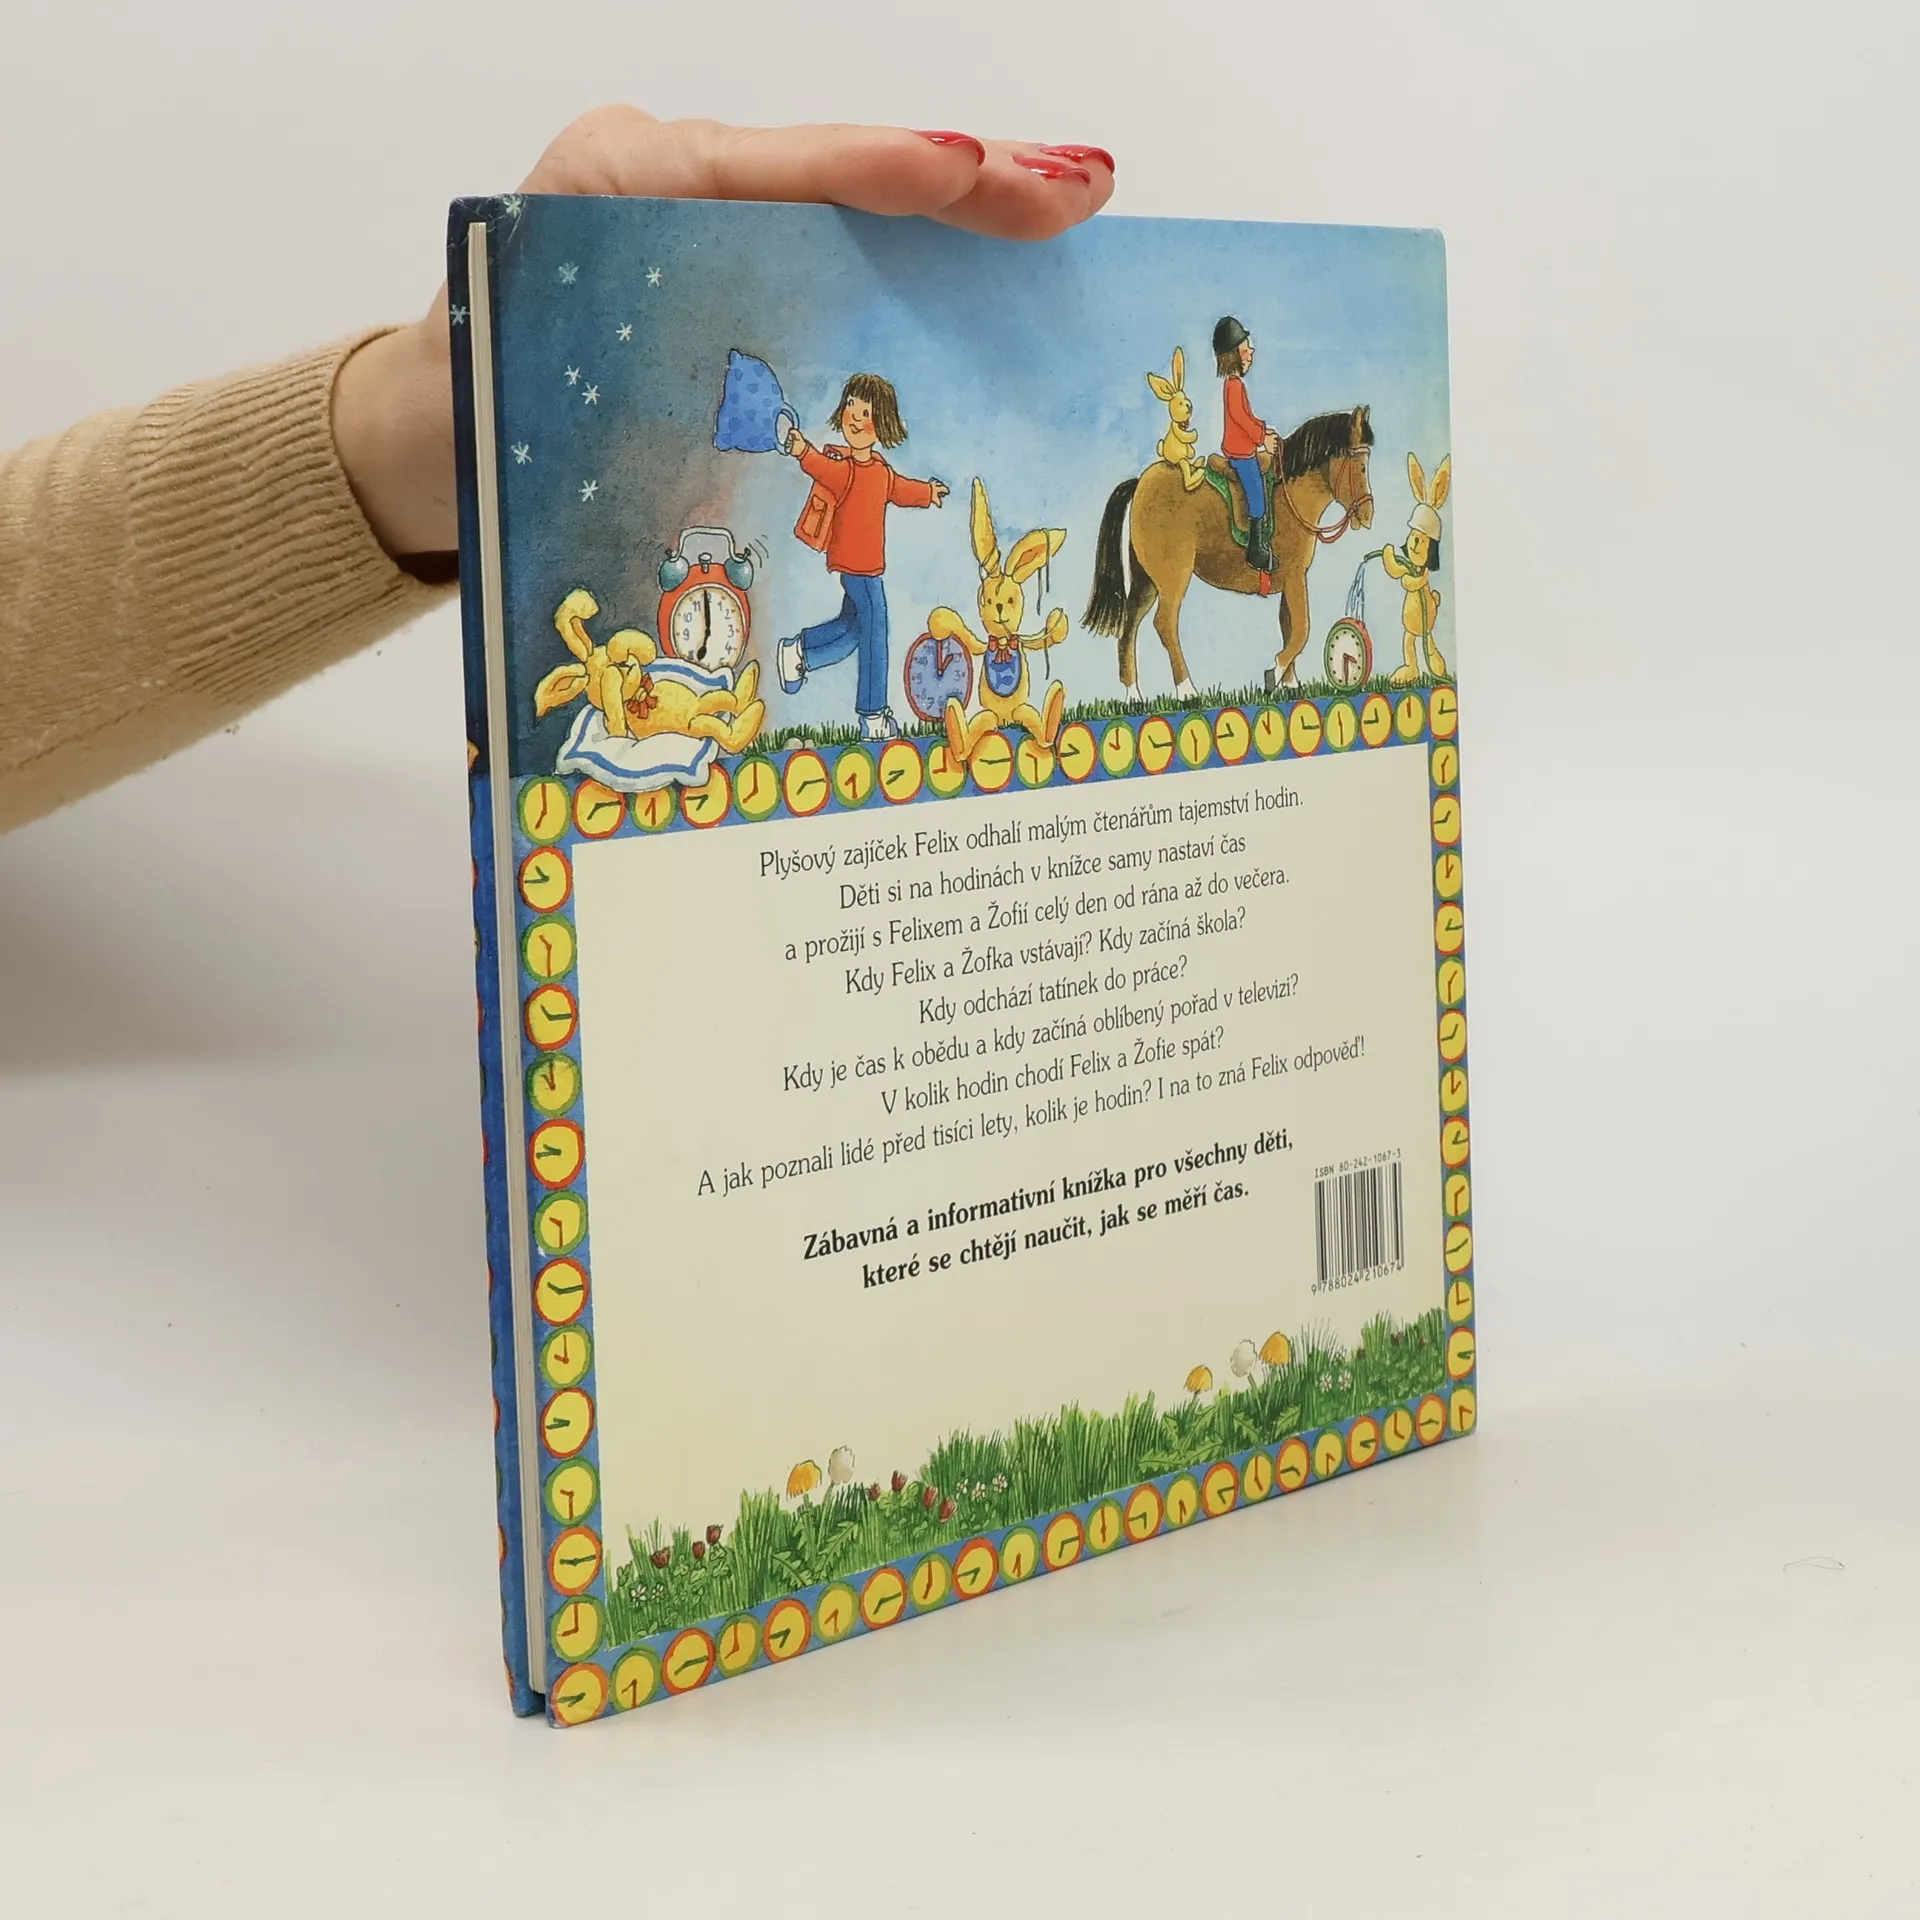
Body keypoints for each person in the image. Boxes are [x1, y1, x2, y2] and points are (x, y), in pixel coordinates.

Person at [0, 109, 1113, 833]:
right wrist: (792, 445)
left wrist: (410, 431)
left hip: (859, 561)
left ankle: (820, 668)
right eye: (857, 417)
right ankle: (855, 699)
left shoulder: (880, 471)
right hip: (846, 562)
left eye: (869, 420)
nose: (859, 429)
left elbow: (894, 486)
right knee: (862, 626)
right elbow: (819, 462)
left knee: (860, 624)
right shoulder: (835, 459)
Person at [778, 373, 948, 739]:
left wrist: (927, 493)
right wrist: (802, 450)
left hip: (869, 568)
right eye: (851, 406)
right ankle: (872, 715)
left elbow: (901, 489)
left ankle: (801, 651)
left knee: (854, 629)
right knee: (876, 632)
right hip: (857, 569)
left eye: (866, 412)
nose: (855, 417)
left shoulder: (881, 472)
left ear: (882, 423)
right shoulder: (846, 471)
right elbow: (819, 466)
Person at [1212, 314, 1281, 573]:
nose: (1251, 352)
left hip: (1246, 448)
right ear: (1233, 356)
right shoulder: (1233, 386)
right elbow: (1240, 418)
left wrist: (1264, 430)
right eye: (1245, 349)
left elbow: (1248, 417)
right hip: (1240, 453)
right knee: (1256, 493)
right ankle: (1255, 550)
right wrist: (1262, 438)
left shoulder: (1236, 385)